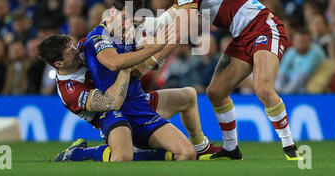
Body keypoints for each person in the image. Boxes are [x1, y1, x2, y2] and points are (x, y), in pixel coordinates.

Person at [147, 0, 300, 160]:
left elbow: (180, 32)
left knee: (263, 88)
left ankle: (289, 146)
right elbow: (162, 22)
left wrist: (152, 59)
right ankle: (231, 149)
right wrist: (137, 26)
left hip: (264, 28)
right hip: (242, 36)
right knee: (216, 92)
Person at [37, 32, 218, 161]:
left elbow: (125, 47)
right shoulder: (70, 91)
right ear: (58, 64)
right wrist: (125, 67)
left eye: (73, 45)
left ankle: (201, 147)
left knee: (188, 95)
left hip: (134, 102)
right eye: (71, 52)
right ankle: (76, 154)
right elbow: (111, 102)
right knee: (122, 157)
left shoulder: (85, 47)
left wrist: (149, 53)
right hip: (111, 115)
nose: (77, 50)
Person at [82, 0, 196, 161]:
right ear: (112, 11)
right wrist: (154, 48)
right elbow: (114, 63)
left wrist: (153, 56)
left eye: (130, 20)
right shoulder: (97, 37)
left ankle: (145, 155)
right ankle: (78, 153)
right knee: (122, 158)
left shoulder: (131, 35)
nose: (126, 24)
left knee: (187, 153)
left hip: (140, 106)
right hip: (114, 110)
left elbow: (167, 32)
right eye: (123, 18)